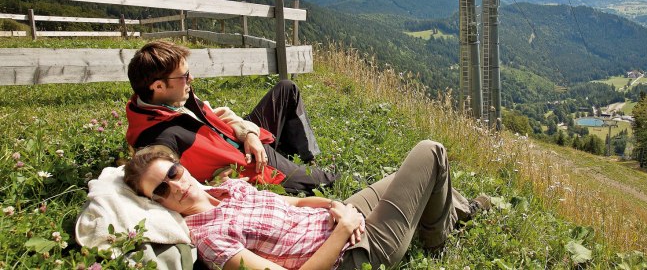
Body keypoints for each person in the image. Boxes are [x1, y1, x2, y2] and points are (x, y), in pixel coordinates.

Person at [123, 140, 491, 270]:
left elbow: (297, 203)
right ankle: (436, 238)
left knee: (408, 178)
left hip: (336, 217)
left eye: (173, 172)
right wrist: (345, 229)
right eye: (161, 190)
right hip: (350, 253)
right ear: (156, 203)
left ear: (181, 165)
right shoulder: (208, 239)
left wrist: (335, 206)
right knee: (430, 153)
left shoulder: (229, 188)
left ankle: (455, 211)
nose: (176, 186)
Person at [125, 40, 337, 195]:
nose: (191, 78)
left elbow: (219, 115)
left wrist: (249, 134)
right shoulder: (158, 140)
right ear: (158, 86)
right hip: (250, 163)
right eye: (184, 76)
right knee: (329, 180)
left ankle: (305, 157)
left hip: (241, 139)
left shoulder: (172, 100)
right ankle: (302, 171)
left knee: (287, 88)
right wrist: (213, 185)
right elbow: (161, 186)